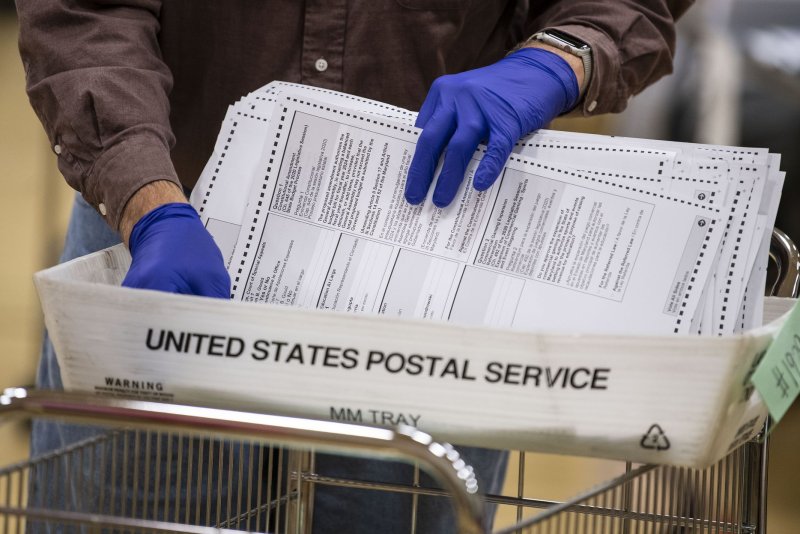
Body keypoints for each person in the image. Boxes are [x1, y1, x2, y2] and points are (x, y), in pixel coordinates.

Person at [16, 1, 693, 532]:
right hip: (165, 252)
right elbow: (84, 12)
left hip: (421, 271)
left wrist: (555, 61)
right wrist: (147, 201)